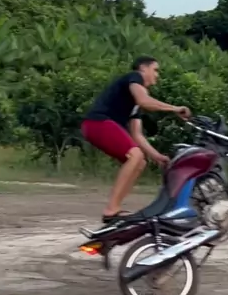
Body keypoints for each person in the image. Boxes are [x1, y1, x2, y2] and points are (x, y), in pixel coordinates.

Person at [81, 56, 191, 223]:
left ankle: (115, 209)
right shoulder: (134, 77)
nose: (157, 75)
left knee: (140, 162)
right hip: (97, 123)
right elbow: (144, 100)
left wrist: (156, 156)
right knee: (135, 155)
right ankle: (111, 209)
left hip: (101, 126)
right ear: (143, 68)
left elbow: (137, 134)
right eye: (155, 70)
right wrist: (175, 109)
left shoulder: (135, 103)